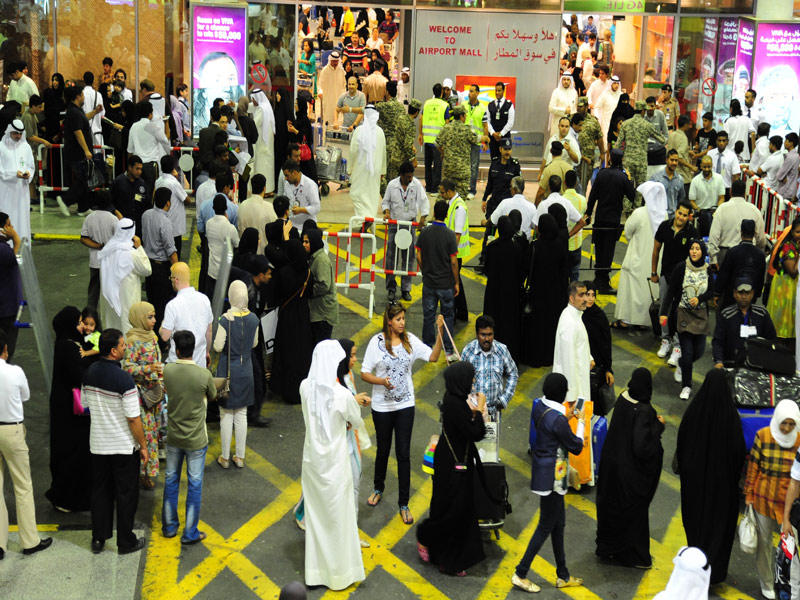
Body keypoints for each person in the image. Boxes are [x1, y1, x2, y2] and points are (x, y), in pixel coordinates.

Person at [361, 304, 444, 524]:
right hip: (382, 407)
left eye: (403, 319)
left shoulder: (410, 341)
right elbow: (364, 373)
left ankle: (404, 503)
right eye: (398, 319)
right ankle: (378, 488)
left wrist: (440, 335)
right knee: (383, 450)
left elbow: (433, 357)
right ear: (389, 321)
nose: (402, 322)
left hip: (405, 406)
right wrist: (381, 382)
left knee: (404, 453)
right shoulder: (376, 344)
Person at [300, 340, 366, 590]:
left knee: (316, 519)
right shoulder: (341, 395)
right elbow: (356, 420)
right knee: (340, 518)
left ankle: (315, 573)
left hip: (312, 463)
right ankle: (340, 574)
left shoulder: (304, 387)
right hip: (336, 465)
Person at [512, 372, 584, 593]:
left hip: (543, 471)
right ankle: (520, 573)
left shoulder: (539, 406)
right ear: (562, 393)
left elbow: (553, 428)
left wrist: (568, 416)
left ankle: (562, 575)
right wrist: (579, 422)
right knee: (545, 526)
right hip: (555, 476)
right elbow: (576, 445)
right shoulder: (559, 419)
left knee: (558, 524)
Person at [675, 368, 746, 585]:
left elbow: (682, 448)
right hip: (723, 492)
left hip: (694, 490)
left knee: (696, 527)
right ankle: (714, 573)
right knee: (719, 530)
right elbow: (738, 453)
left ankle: (695, 566)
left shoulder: (694, 414)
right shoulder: (730, 418)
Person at [416, 361, 488, 576]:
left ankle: (437, 548)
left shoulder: (453, 398)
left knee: (448, 508)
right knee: (454, 511)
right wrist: (479, 408)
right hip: (454, 465)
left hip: (450, 459)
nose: (473, 381)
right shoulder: (456, 404)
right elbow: (475, 433)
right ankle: (447, 557)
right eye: (471, 377)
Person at [82, 329, 147, 555]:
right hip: (122, 447)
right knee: (126, 494)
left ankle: (99, 538)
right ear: (113, 351)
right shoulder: (124, 379)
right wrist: (144, 446)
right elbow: (133, 419)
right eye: (122, 345)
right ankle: (126, 541)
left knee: (100, 491)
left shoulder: (89, 372)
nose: (125, 348)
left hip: (98, 445)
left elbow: (84, 404)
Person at [595, 368, 663, 568]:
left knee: (610, 509)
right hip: (629, 476)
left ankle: (607, 549)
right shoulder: (643, 411)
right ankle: (633, 556)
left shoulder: (623, 399)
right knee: (632, 515)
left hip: (611, 469)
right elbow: (642, 447)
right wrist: (658, 426)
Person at [0, 329, 54, 558]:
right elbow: (25, 397)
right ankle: (29, 541)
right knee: (22, 485)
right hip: (11, 429)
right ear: (5, 349)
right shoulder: (15, 372)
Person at [161, 329, 216, 542]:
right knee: (194, 484)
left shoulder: (168, 371)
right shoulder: (203, 375)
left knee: (171, 479)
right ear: (194, 349)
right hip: (195, 440)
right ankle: (190, 532)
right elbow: (212, 395)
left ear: (176, 349)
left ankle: (169, 527)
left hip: (174, 437)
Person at [742, 400, 800, 598]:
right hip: (763, 500)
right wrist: (749, 495)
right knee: (764, 544)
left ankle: (789, 582)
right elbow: (754, 467)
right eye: (784, 423)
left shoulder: (799, 441)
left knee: (792, 548)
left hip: (790, 505)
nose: (786, 428)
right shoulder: (763, 436)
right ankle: (767, 582)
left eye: (792, 424)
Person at [45, 307, 95, 512]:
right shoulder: (68, 348)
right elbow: (80, 375)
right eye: (79, 323)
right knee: (74, 453)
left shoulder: (66, 343)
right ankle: (70, 498)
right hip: (71, 412)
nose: (82, 326)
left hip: (65, 409)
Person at [213, 281, 259, 469]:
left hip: (227, 371)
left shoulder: (225, 320)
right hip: (246, 371)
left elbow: (217, 346)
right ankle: (239, 456)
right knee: (242, 414)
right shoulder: (254, 319)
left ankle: (224, 457)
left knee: (226, 415)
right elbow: (254, 344)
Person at [553, 280, 593, 486]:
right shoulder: (569, 322)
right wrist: (575, 400)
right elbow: (568, 360)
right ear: (572, 298)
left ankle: (575, 475)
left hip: (577, 389)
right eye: (581, 295)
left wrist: (589, 357)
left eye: (587, 294)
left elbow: (578, 348)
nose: (586, 298)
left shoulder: (573, 317)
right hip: (574, 394)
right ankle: (572, 477)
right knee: (573, 437)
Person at [661, 240, 712, 401]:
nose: (694, 252)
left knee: (699, 351)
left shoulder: (708, 270)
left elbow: (712, 291)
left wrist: (700, 298)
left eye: (697, 249)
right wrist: (664, 312)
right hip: (683, 315)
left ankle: (682, 363)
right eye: (692, 248)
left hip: (701, 316)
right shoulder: (681, 268)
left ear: (703, 252)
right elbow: (670, 292)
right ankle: (686, 386)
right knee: (688, 352)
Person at [122, 302, 163, 490]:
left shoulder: (152, 337)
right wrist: (148, 369)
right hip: (141, 396)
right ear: (139, 318)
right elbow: (128, 368)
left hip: (154, 394)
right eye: (150, 317)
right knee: (144, 437)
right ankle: (142, 473)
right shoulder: (132, 341)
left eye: (154, 316)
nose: (154, 321)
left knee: (154, 433)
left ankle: (147, 472)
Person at [614, 182, 667, 328]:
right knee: (649, 291)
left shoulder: (639, 213)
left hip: (636, 257)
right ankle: (646, 322)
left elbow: (627, 232)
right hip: (655, 262)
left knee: (631, 291)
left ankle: (626, 321)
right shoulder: (664, 214)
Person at [651, 201, 696, 363]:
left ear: (689, 217)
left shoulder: (692, 233)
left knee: (680, 312)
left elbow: (695, 257)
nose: (681, 218)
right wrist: (654, 272)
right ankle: (665, 340)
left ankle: (677, 346)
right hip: (665, 276)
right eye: (680, 213)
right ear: (675, 212)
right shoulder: (664, 227)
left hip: (683, 281)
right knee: (664, 308)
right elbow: (656, 249)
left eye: (685, 215)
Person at [585, 149, 635, 292]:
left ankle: (598, 278)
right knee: (608, 251)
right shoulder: (622, 177)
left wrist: (588, 214)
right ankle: (603, 282)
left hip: (600, 218)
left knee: (599, 250)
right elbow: (631, 196)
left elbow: (593, 196)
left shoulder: (601, 174)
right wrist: (630, 179)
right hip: (613, 221)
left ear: (610, 159)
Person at [522, 213, 568, 368]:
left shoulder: (535, 246)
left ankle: (536, 357)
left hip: (538, 294)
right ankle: (550, 357)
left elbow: (527, 269)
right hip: (556, 295)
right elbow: (565, 273)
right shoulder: (560, 245)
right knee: (552, 326)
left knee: (537, 326)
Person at [271, 239, 314, 405]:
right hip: (302, 316)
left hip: (287, 316)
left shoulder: (284, 272)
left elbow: (276, 295)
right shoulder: (308, 272)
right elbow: (309, 292)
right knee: (301, 353)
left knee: (286, 351)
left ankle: (285, 389)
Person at [415, 201, 459, 359]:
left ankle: (427, 348)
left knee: (428, 315)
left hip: (429, 282)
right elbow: (453, 261)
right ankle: (448, 350)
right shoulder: (450, 235)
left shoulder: (425, 232)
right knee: (447, 316)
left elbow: (418, 254)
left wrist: (424, 269)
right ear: (446, 214)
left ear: (434, 212)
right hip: (445, 284)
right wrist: (456, 282)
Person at [382, 161, 428, 302]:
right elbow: (385, 202)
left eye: (411, 176)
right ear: (401, 175)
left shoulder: (416, 185)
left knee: (409, 258)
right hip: (394, 225)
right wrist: (387, 212)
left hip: (410, 226)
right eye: (407, 176)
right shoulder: (392, 185)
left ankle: (406, 289)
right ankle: (391, 288)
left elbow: (424, 201)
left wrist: (423, 218)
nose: (410, 179)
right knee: (391, 258)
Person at [482, 218, 526, 360]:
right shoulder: (517, 248)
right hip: (511, 293)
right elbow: (522, 272)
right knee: (510, 324)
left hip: (494, 292)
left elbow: (486, 269)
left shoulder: (491, 247)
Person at [98, 218, 152, 334]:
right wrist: (139, 248)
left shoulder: (107, 250)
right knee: (126, 329)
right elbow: (147, 269)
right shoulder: (132, 254)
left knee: (111, 327)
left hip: (110, 301)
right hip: (127, 300)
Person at [461, 314, 519, 418]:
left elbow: (513, 374)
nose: (487, 338)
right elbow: (460, 381)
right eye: (483, 335)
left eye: (490, 334)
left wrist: (504, 399)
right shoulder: (468, 351)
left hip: (494, 412)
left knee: (492, 435)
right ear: (477, 334)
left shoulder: (502, 351)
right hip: (473, 411)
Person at [160, 262, 214, 368]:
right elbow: (209, 331)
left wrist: (162, 326)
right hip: (199, 362)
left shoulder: (172, 305)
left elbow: (165, 336)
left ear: (175, 280)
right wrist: (207, 352)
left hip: (177, 364)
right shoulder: (204, 299)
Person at [713, 279, 777, 367]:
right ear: (734, 294)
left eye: (747, 293)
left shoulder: (762, 314)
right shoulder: (726, 315)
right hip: (731, 363)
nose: (743, 296)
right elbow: (718, 341)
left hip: (757, 364)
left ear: (753, 293)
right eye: (740, 293)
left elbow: (771, 339)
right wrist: (718, 361)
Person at [480, 138, 520, 267]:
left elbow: (519, 187)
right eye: (505, 149)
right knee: (489, 234)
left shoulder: (515, 165)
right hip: (494, 205)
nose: (508, 152)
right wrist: (484, 199)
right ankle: (485, 262)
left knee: (508, 235)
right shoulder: (495, 164)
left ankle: (507, 262)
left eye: (509, 149)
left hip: (508, 207)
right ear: (500, 149)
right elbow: (490, 184)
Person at [142, 188, 178, 331]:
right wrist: (177, 272)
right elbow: (170, 249)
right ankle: (162, 340)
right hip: (161, 267)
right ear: (168, 203)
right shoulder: (165, 222)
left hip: (148, 264)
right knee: (162, 305)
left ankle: (152, 334)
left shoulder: (146, 215)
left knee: (152, 302)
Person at [708, 179, 766, 268]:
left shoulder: (721, 209)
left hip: (725, 254)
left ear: (731, 191)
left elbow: (714, 236)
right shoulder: (754, 210)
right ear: (745, 193)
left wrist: (713, 259)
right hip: (748, 255)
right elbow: (761, 240)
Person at [714, 218, 766, 309]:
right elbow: (760, 278)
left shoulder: (732, 252)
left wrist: (717, 293)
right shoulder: (760, 255)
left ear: (741, 233)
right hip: (751, 296)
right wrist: (756, 295)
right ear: (754, 233)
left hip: (732, 297)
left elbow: (724, 275)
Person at [616, 100, 665, 189]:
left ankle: (627, 203)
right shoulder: (647, 125)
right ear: (643, 111)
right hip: (641, 161)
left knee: (627, 188)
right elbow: (662, 140)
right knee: (640, 188)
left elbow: (617, 145)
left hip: (628, 161)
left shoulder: (625, 124)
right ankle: (638, 203)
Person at [127, 101, 171, 199]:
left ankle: (139, 211)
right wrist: (166, 123)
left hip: (136, 166)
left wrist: (130, 167)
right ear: (150, 114)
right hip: (151, 166)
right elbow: (166, 140)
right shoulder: (153, 127)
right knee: (150, 194)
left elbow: (129, 150)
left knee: (137, 194)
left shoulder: (134, 127)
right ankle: (148, 211)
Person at [766, 216, 800, 340]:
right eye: (798, 232)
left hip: (793, 289)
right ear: (791, 232)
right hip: (785, 290)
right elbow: (793, 271)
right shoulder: (787, 247)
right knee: (784, 330)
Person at [0, 120, 34, 242]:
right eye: (15, 133)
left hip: (22, 193)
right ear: (9, 131)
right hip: (6, 192)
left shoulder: (26, 147)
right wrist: (15, 175)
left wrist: (28, 175)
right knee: (7, 219)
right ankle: (6, 251)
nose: (18, 136)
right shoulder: (1, 147)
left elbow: (31, 166)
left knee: (22, 220)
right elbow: (1, 171)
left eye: (20, 133)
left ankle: (22, 250)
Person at [441, 180, 470, 323]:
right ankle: (462, 313)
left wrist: (450, 254)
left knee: (453, 283)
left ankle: (454, 314)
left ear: (449, 191)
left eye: (442, 192)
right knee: (456, 282)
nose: (441, 195)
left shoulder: (459, 208)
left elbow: (457, 235)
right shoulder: (453, 204)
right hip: (453, 252)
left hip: (455, 254)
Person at [582, 282, 614, 411]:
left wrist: (608, 369)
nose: (590, 298)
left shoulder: (600, 317)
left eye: (593, 295)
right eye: (587, 294)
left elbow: (606, 344)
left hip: (597, 368)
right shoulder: (578, 314)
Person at [304, 228, 338, 343]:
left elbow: (324, 285)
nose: (304, 245)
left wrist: (307, 291)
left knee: (321, 345)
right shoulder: (314, 257)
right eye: (303, 242)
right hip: (318, 311)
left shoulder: (321, 260)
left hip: (323, 314)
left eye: (307, 242)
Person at [154, 155, 188, 259]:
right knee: (175, 256)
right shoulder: (174, 183)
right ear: (173, 167)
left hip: (160, 222)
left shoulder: (158, 181)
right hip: (174, 227)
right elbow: (187, 200)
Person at [205, 194, 240, 296]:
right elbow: (237, 245)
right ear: (226, 208)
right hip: (225, 272)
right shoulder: (230, 227)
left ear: (213, 208)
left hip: (211, 270)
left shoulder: (208, 224)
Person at [419, 83, 450, 194]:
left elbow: (421, 119)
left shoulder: (427, 103)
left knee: (427, 165)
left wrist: (421, 134)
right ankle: (434, 189)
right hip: (438, 142)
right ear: (441, 92)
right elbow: (447, 124)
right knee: (437, 166)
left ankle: (428, 187)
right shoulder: (445, 105)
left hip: (427, 140)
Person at [0, 215, 22, 359]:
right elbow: (16, 259)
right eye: (9, 225)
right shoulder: (3, 249)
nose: (12, 228)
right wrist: (16, 240)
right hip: (6, 309)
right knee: (7, 346)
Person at [237, 174, 276, 255]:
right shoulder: (270, 207)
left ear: (251, 187)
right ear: (264, 188)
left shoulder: (242, 206)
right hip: (264, 254)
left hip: (245, 254)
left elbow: (240, 228)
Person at [111, 156, 148, 237]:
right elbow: (110, 203)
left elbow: (146, 203)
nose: (139, 172)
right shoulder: (118, 182)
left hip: (137, 226)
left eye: (141, 169)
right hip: (122, 224)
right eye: (137, 169)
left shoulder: (142, 183)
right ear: (130, 167)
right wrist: (116, 213)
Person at [490, 176, 536, 241]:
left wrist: (484, 222)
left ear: (514, 189)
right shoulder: (532, 207)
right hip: (525, 245)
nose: (510, 189)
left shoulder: (505, 203)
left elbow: (493, 221)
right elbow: (535, 226)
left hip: (506, 244)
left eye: (510, 186)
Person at [282, 160, 321, 232]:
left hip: (307, 227)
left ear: (294, 173)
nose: (285, 178)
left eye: (287, 175)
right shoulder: (287, 184)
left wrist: (301, 210)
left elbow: (316, 207)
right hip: (292, 226)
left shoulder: (310, 185)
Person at [249, 88, 275, 193]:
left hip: (262, 145)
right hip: (267, 145)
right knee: (267, 167)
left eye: (253, 99)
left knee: (262, 167)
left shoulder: (261, 109)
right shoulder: (265, 106)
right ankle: (269, 189)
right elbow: (248, 107)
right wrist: (236, 105)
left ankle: (264, 190)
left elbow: (254, 124)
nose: (252, 101)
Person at [707, 131, 741, 199]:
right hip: (710, 187)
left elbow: (736, 175)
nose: (721, 143)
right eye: (719, 140)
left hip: (726, 189)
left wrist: (734, 191)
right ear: (716, 141)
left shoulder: (732, 156)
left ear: (727, 142)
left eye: (723, 141)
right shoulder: (710, 154)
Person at [318, 51, 347, 129]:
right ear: (330, 60)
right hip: (328, 99)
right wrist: (320, 92)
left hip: (339, 98)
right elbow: (320, 85)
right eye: (333, 61)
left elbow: (344, 85)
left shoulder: (341, 71)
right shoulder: (325, 71)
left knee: (339, 119)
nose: (335, 63)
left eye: (336, 61)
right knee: (328, 118)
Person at [486, 81, 514, 160]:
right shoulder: (490, 105)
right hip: (493, 138)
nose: (497, 92)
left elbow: (510, 122)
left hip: (505, 137)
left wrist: (501, 134)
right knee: (494, 159)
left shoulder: (509, 105)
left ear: (503, 91)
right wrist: (493, 133)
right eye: (496, 90)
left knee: (505, 160)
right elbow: (487, 121)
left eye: (499, 90)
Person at [595, 75, 622, 141]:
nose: (616, 85)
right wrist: (598, 119)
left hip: (618, 124)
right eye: (614, 83)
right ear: (611, 84)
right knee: (606, 140)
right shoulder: (605, 94)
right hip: (606, 122)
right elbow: (597, 107)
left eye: (617, 84)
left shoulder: (621, 95)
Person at [776, 133, 800, 202]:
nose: (784, 143)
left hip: (785, 191)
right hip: (791, 189)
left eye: (786, 140)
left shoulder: (790, 157)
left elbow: (779, 175)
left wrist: (781, 177)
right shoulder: (796, 155)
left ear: (791, 143)